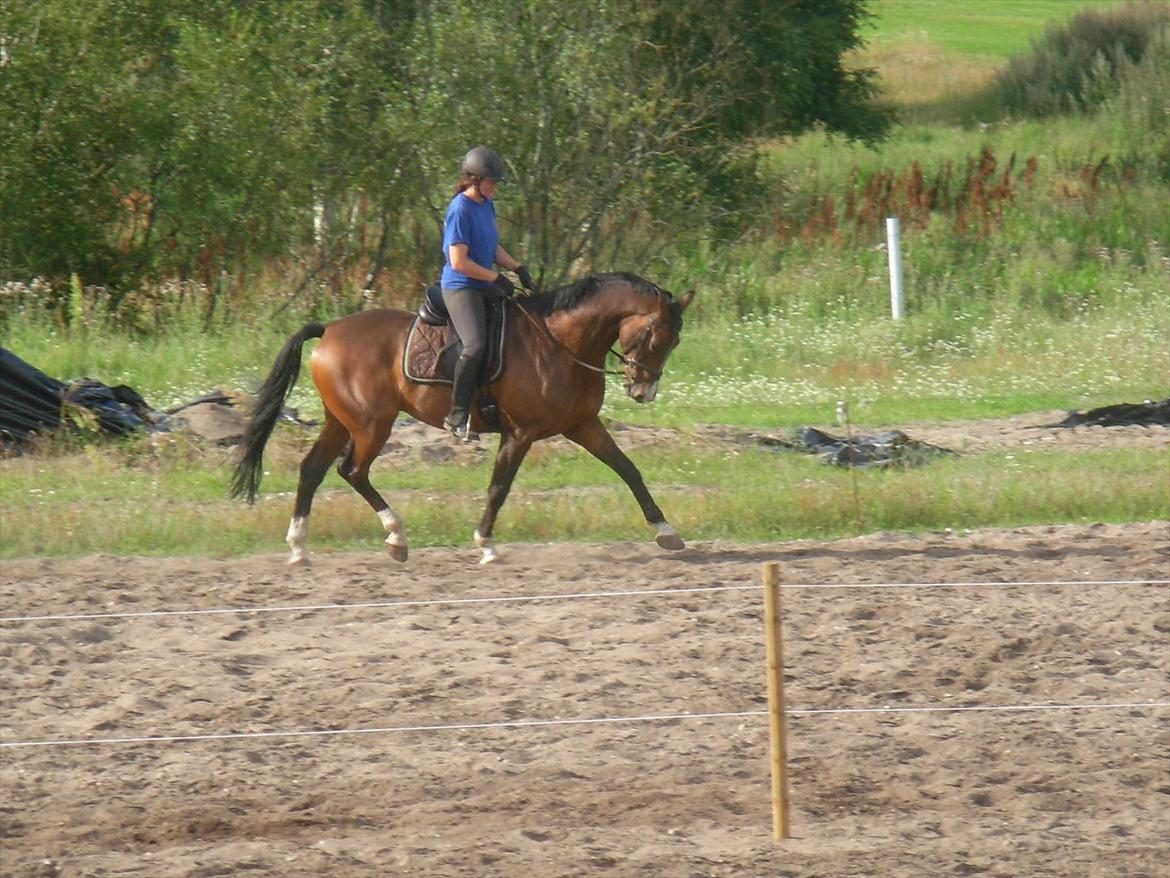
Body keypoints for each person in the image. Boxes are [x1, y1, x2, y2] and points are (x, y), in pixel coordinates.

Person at [439, 146, 535, 436]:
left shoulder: (486, 205)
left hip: (484, 283)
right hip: (461, 287)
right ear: (474, 180)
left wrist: (518, 268)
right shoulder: (459, 209)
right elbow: (458, 262)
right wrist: (495, 278)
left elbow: (490, 246)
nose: (495, 187)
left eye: (495, 182)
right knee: (476, 345)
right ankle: (456, 414)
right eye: (491, 182)